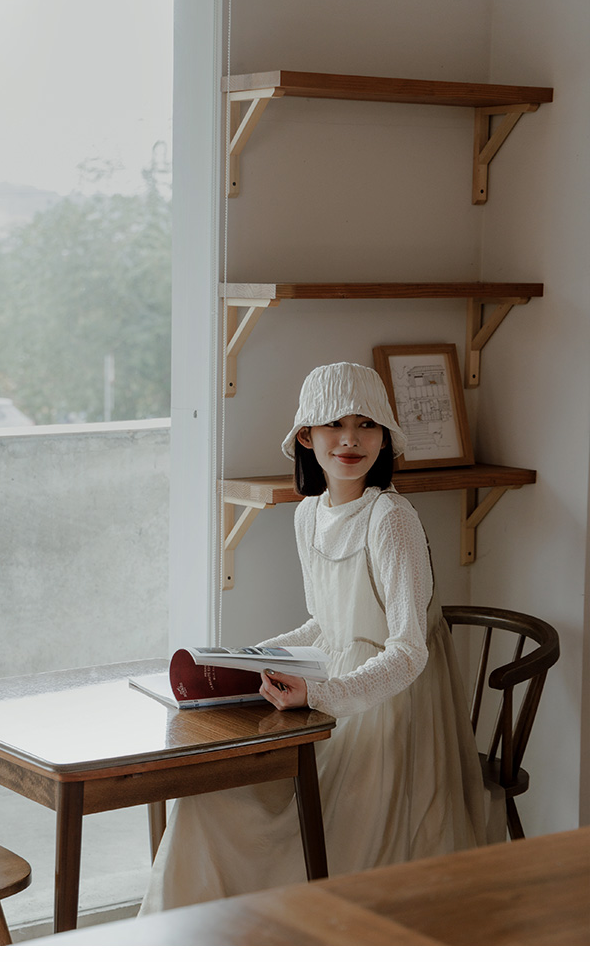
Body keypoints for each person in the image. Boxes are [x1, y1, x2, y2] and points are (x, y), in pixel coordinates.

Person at [140, 362, 495, 913]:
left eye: (367, 424)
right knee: (207, 799)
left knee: (311, 829)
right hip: (330, 691)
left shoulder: (391, 518)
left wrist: (324, 695)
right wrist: (250, 657)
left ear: (385, 438)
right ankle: (191, 938)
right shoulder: (308, 514)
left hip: (390, 704)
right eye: (334, 424)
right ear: (307, 436)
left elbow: (408, 650)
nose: (350, 439)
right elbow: (324, 625)